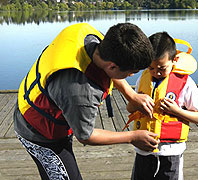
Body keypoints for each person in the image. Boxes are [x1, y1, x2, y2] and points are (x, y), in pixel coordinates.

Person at [14, 22, 159, 180]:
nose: (131, 76)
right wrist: (132, 137)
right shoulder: (80, 91)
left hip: (36, 99)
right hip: (38, 132)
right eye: (131, 72)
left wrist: (132, 95)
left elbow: (112, 65)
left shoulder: (86, 33)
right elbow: (85, 135)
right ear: (112, 67)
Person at [126, 32, 198, 180]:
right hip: (144, 149)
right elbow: (129, 109)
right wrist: (137, 102)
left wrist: (176, 110)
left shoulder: (186, 83)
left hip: (171, 151)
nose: (156, 73)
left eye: (162, 68)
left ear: (174, 60)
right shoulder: (143, 79)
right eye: (151, 68)